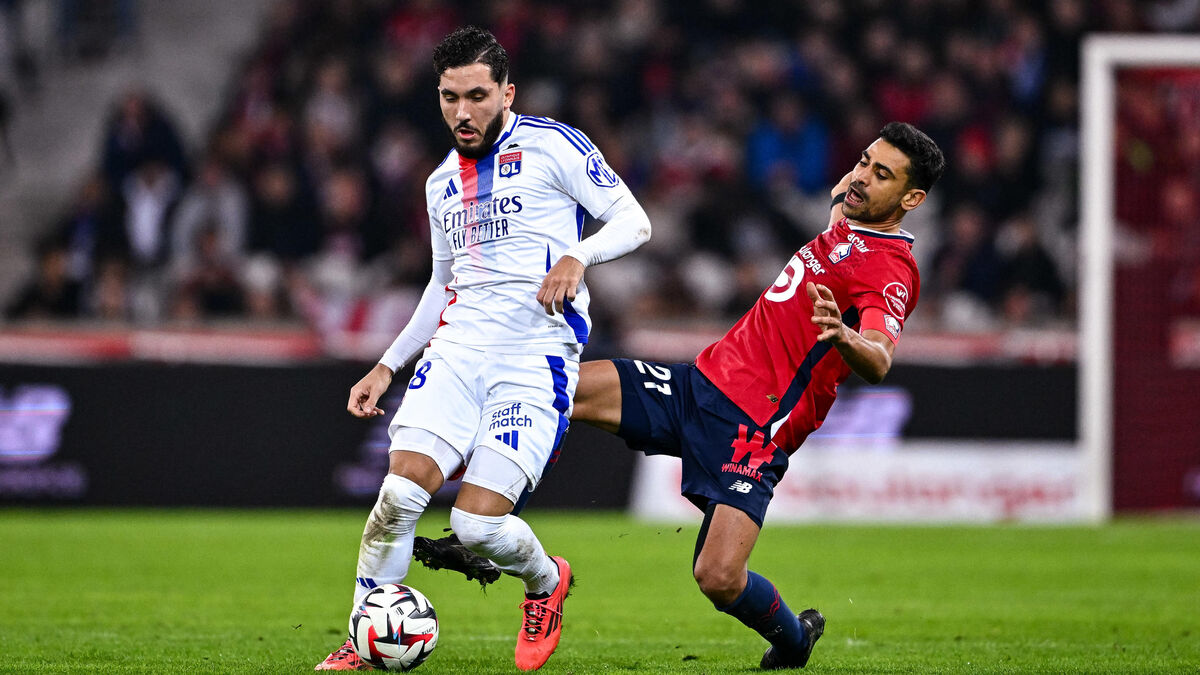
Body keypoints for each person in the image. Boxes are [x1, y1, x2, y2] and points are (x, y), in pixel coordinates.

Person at [415, 122, 945, 670]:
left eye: (881, 174)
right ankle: (491, 535)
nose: (861, 177)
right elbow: (846, 194)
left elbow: (880, 358)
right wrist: (853, 187)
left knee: (717, 578)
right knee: (549, 391)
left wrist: (844, 335)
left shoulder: (890, 268)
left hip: (752, 431)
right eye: (863, 160)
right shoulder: (848, 216)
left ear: (912, 199)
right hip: (697, 386)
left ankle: (793, 639)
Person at [315, 26, 652, 672]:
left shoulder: (554, 146)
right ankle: (364, 634)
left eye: (476, 95)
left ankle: (546, 581)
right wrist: (387, 364)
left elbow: (635, 220)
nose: (462, 112)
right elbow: (441, 285)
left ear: (507, 92)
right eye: (449, 98)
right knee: (397, 496)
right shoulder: (441, 183)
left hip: (535, 354)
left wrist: (578, 256)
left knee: (475, 528)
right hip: (458, 348)